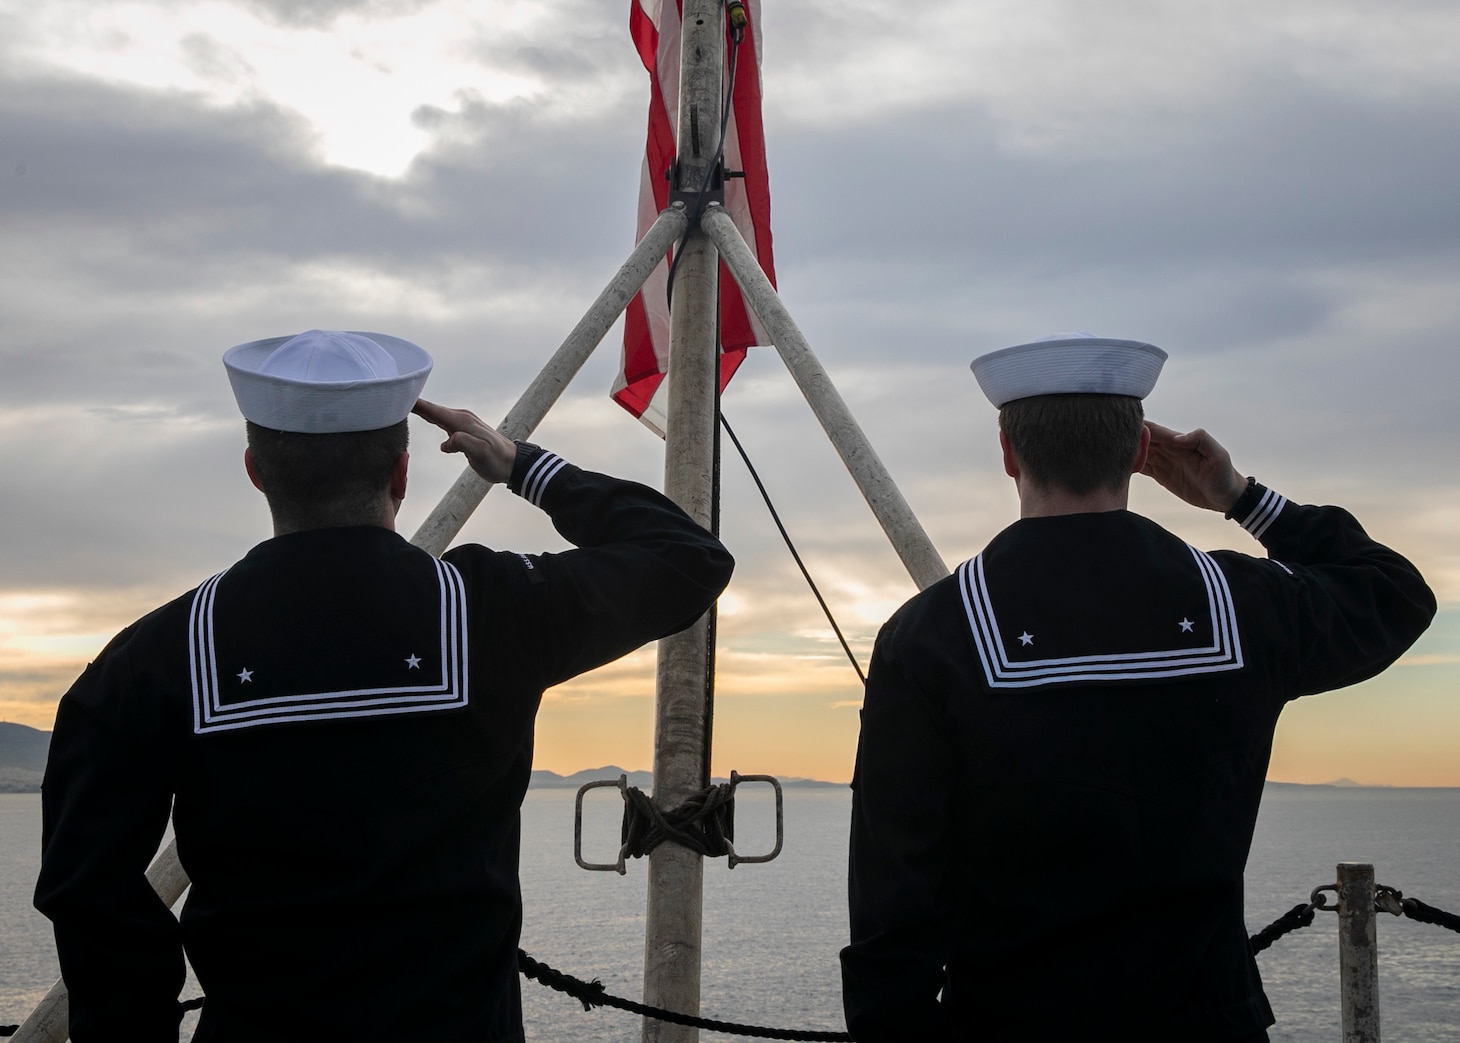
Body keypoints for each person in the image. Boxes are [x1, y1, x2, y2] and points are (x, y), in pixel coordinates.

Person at [35, 329, 734, 1042]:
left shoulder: (153, 657)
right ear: (402, 472)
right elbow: (688, 559)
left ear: (255, 469)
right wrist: (522, 465)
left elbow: (87, 892)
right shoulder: (490, 610)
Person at [839, 333, 1435, 1042]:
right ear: (1139, 453)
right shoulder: (1243, 605)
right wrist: (1241, 498)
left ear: (1008, 452)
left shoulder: (929, 634)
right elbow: (1396, 594)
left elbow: (892, 900)